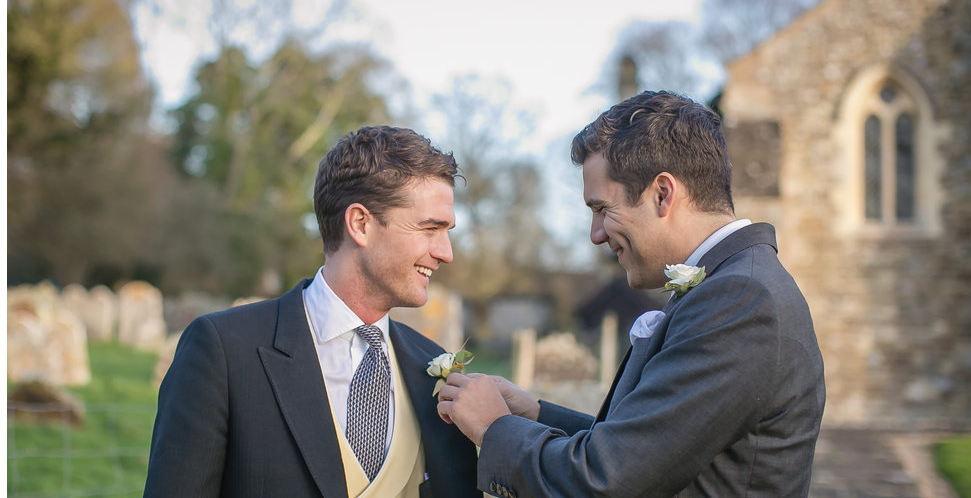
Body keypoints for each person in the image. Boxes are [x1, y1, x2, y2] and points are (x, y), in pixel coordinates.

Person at [437, 91, 825, 497]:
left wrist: (495, 428)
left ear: (662, 194)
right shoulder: (732, 284)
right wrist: (532, 414)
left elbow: (605, 481)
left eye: (602, 209)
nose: (596, 234)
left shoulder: (741, 300)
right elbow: (652, 451)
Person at [145, 126, 481, 498]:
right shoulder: (222, 352)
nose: (446, 253)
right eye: (430, 228)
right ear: (360, 224)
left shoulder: (435, 370)